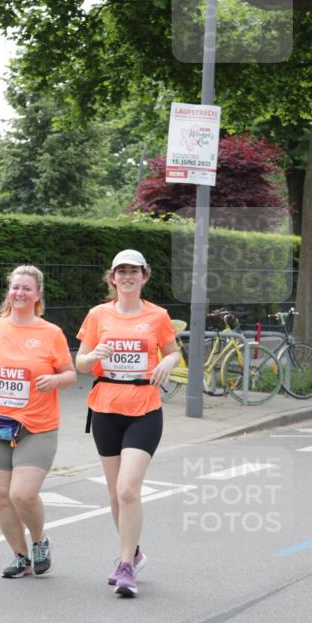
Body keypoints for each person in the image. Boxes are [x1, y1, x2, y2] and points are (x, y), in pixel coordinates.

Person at [0, 265, 76, 579]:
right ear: (9, 291)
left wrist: (55, 379)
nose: (19, 293)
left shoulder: (50, 333)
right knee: (1, 495)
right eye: (15, 287)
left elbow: (71, 373)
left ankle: (39, 541)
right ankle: (20, 556)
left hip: (37, 427)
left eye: (26, 289)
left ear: (37, 295)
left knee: (22, 494)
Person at [75, 249, 179, 598]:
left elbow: (173, 350)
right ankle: (132, 551)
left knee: (127, 489)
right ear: (112, 278)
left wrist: (169, 363)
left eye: (134, 271)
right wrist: (93, 356)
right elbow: (81, 363)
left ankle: (124, 567)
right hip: (105, 408)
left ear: (144, 276)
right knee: (114, 493)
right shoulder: (97, 315)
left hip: (145, 408)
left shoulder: (157, 315)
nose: (127, 277)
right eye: (121, 272)